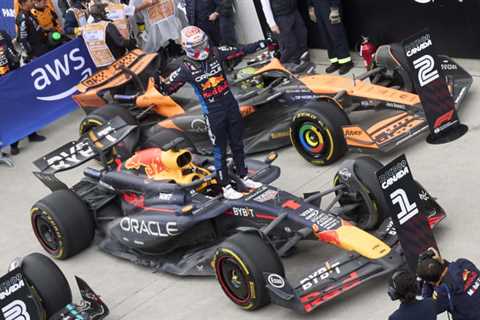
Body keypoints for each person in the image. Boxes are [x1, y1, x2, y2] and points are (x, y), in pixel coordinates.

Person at [157, 26, 268, 199]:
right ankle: (225, 187)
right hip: (213, 112)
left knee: (238, 143)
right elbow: (166, 90)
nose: (202, 49)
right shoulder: (185, 68)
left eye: (203, 44)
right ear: (188, 48)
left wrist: (263, 43)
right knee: (220, 149)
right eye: (197, 47)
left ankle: (243, 175)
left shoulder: (216, 53)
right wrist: (156, 80)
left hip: (230, 104)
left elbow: (241, 49)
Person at [417, 248, 480, 320]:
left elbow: (428, 308)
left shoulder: (443, 293)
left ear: (431, 282)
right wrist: (443, 262)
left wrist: (425, 283)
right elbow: (452, 271)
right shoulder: (463, 263)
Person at [81, 3, 136, 67]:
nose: (106, 13)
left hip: (100, 62)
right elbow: (120, 42)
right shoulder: (107, 26)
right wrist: (132, 42)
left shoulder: (87, 28)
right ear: (101, 14)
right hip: (116, 59)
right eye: (104, 11)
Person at [308, 0, 353, 75]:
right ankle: (335, 62)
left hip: (329, 6)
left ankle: (346, 62)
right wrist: (310, 7)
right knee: (326, 37)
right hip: (317, 7)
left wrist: (335, 8)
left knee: (337, 35)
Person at [259, 0, 308, 67]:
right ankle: (287, 67)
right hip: (280, 17)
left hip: (294, 12)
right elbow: (265, 6)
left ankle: (303, 63)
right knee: (289, 45)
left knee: (302, 36)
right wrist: (272, 24)